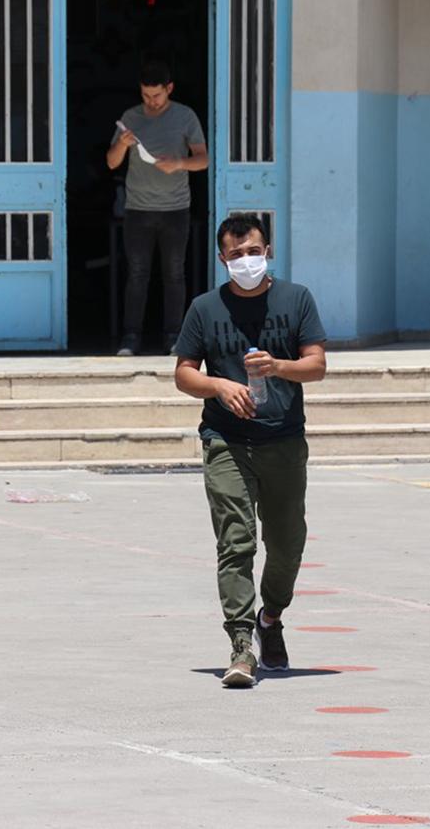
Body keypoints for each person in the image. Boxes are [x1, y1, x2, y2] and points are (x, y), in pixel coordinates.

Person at [173, 214, 328, 688]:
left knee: (287, 542)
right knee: (236, 541)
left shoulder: (296, 299)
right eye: (236, 254)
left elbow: (317, 365)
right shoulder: (205, 308)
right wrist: (218, 386)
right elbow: (184, 373)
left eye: (253, 251)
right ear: (222, 258)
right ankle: (241, 645)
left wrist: (278, 366)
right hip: (226, 441)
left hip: (283, 438)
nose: (246, 260)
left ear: (268, 252)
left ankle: (271, 617)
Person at [106, 60, 209, 356]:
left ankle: (174, 337)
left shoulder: (185, 116)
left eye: (157, 95)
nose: (151, 101)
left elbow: (203, 159)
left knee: (174, 273)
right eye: (146, 95)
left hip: (176, 208)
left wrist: (178, 163)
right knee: (137, 273)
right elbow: (111, 162)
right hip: (137, 208)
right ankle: (130, 338)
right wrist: (122, 144)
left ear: (169, 89)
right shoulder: (130, 117)